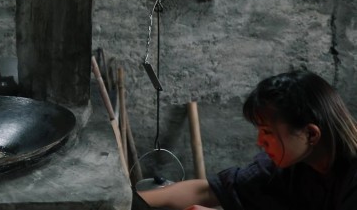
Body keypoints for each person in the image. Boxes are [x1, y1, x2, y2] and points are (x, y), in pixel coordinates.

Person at [138, 70, 357, 210]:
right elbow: (208, 191)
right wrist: (131, 201)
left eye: (268, 132)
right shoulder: (289, 168)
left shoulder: (351, 176)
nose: (260, 141)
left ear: (311, 134)